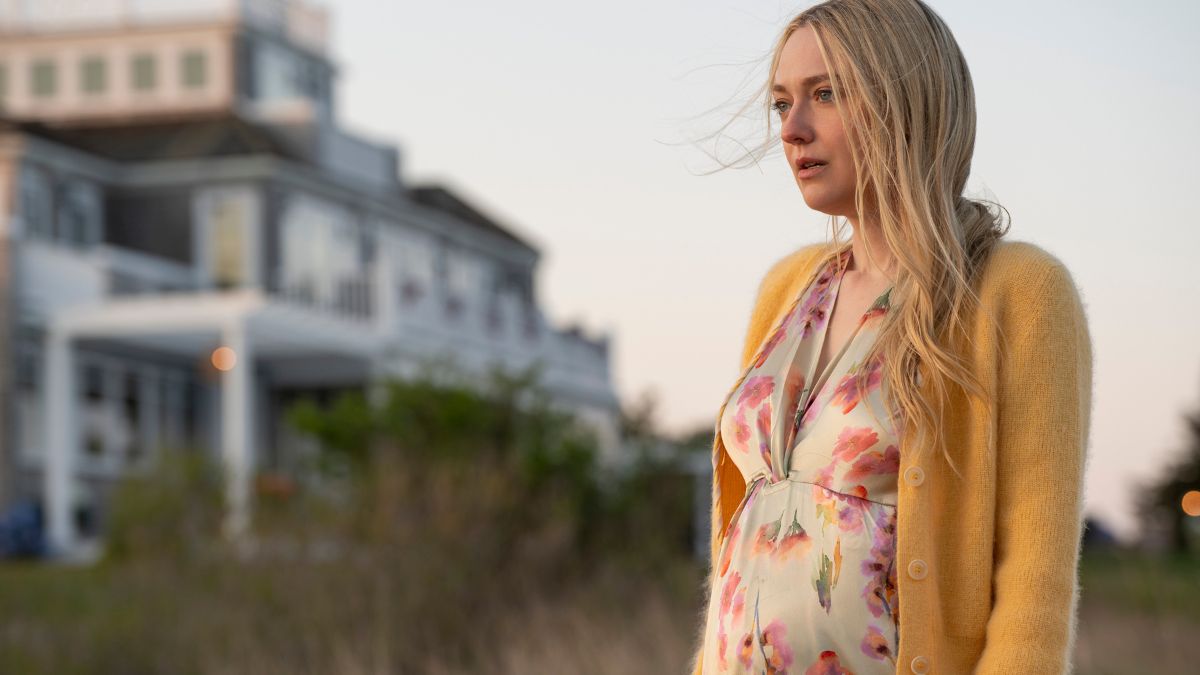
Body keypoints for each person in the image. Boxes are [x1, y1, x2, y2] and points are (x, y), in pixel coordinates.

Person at [687, 1, 1093, 674]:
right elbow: (742, 551)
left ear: (909, 102)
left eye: (826, 93)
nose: (792, 128)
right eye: (781, 103)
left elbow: (1034, 585)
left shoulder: (1018, 291)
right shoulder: (787, 289)